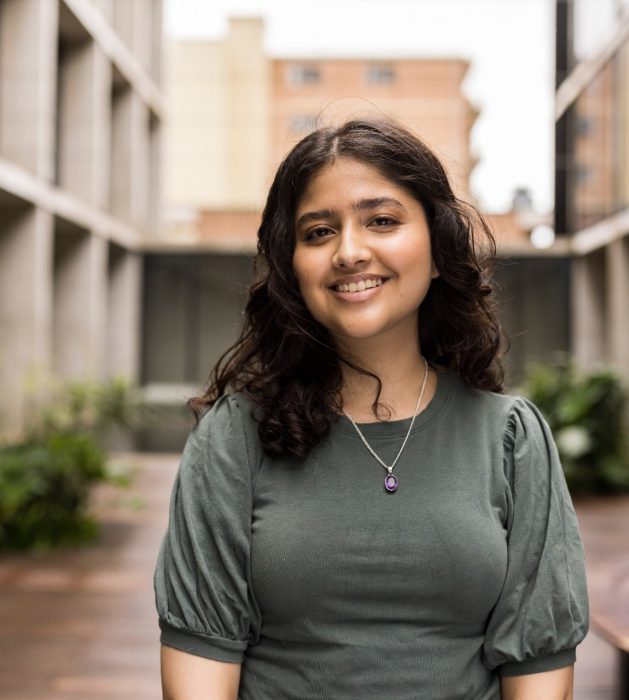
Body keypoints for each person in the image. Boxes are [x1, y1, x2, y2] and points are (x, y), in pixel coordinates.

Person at [154, 118, 589, 700]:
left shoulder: (510, 438)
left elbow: (538, 664)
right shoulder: (234, 437)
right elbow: (200, 670)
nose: (350, 252)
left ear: (437, 251)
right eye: (318, 232)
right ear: (293, 268)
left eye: (381, 221)